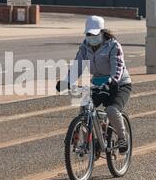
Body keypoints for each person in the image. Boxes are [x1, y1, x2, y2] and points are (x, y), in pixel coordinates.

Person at [56, 15, 132, 154]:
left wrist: (113, 80)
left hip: (119, 84)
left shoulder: (113, 45)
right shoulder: (85, 46)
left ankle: (122, 138)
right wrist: (67, 81)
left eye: (94, 34)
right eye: (88, 34)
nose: (91, 37)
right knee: (85, 108)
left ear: (102, 32)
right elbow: (77, 66)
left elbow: (118, 67)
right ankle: (91, 141)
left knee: (111, 111)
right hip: (98, 83)